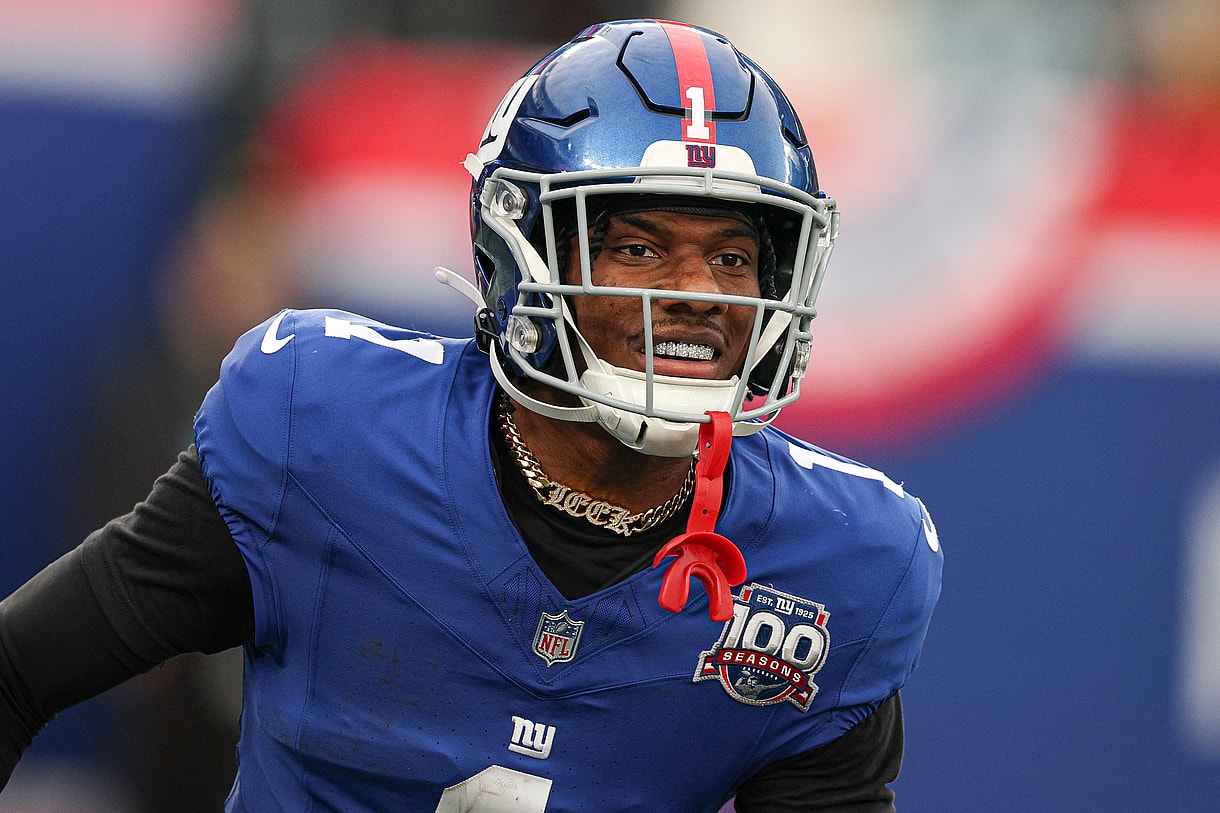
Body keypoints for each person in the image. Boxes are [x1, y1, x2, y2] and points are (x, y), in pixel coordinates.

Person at [0, 18, 942, 812]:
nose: (695, 292)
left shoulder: (837, 564)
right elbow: (20, 668)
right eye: (641, 247)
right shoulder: (323, 429)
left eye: (734, 257)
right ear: (522, 256)